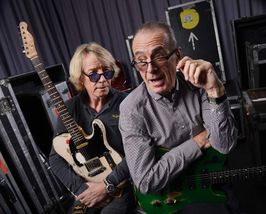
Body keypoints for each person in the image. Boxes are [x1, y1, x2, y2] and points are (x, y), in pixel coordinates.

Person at [119, 22, 240, 213]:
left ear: (177, 56)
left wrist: (214, 89)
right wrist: (197, 142)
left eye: (158, 56)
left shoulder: (198, 83)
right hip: (170, 194)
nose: (150, 69)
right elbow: (145, 181)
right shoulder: (131, 109)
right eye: (141, 60)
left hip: (212, 177)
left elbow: (224, 144)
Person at [49, 42, 136, 214]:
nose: (103, 79)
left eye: (107, 72)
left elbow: (137, 152)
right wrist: (82, 189)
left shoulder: (128, 103)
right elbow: (55, 158)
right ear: (80, 78)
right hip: (86, 187)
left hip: (122, 185)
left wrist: (106, 186)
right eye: (93, 75)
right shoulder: (70, 108)